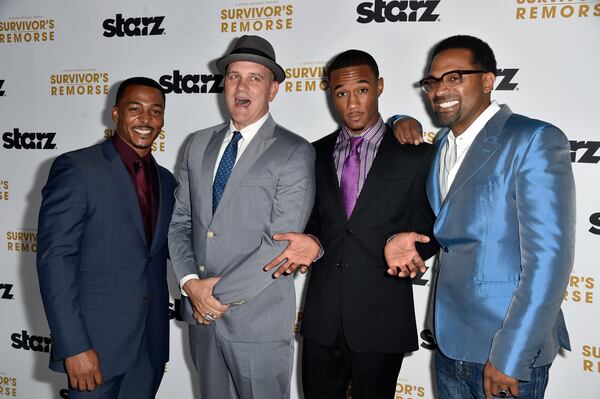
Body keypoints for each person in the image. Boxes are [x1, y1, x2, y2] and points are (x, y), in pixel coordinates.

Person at [387, 35, 575, 399]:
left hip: (504, 350)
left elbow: (549, 262)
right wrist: (398, 119)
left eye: (454, 77)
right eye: (433, 81)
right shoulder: (441, 144)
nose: (440, 89)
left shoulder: (533, 139)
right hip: (448, 344)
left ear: (488, 81)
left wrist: (512, 356)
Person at [265, 49, 438, 399]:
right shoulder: (312, 153)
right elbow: (314, 220)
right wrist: (312, 239)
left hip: (381, 318)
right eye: (341, 93)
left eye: (362, 90)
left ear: (379, 87)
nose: (352, 103)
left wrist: (413, 245)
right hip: (321, 319)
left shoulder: (417, 153)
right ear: (330, 94)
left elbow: (436, 223)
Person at [167, 35, 315, 399]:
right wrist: (189, 283)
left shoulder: (294, 151)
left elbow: (280, 245)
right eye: (234, 76)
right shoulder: (197, 143)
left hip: (257, 324)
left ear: (273, 89)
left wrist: (211, 296)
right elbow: (180, 221)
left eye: (254, 77)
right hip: (202, 321)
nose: (242, 86)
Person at [37, 77, 176, 398]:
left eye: (155, 111)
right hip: (93, 349)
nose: (146, 119)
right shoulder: (77, 168)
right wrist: (74, 346)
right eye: (135, 109)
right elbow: (55, 259)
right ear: (115, 113)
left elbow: (167, 251)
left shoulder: (167, 181)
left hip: (149, 349)